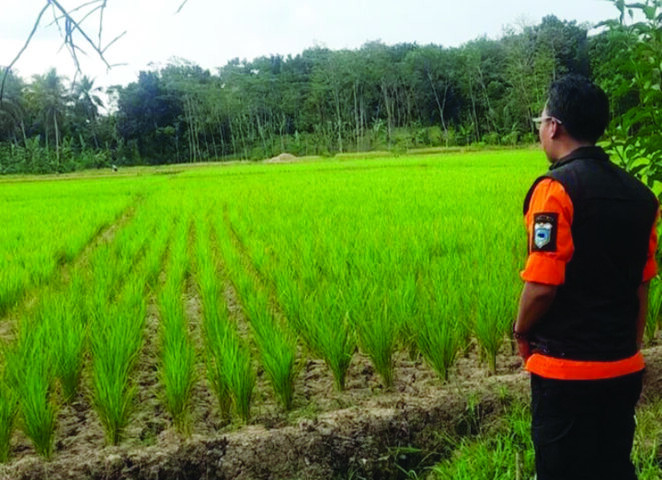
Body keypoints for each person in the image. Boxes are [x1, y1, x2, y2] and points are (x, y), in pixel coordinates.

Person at [513, 74, 658, 480]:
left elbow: (541, 284)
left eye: (540, 120)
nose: (540, 128)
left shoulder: (554, 190)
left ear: (554, 126)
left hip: (565, 372)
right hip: (621, 369)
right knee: (612, 468)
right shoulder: (641, 196)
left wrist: (521, 331)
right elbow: (641, 286)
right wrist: (626, 349)